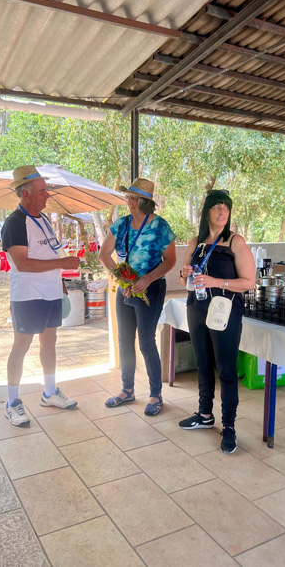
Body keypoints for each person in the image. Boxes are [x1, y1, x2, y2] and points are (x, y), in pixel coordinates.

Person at [1, 165, 81, 427]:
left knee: (50, 343)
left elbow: (50, 253)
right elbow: (22, 264)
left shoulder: (43, 219)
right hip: (28, 295)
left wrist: (61, 281)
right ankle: (12, 402)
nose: (48, 195)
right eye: (42, 191)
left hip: (51, 292)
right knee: (21, 346)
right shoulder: (15, 222)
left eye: (46, 190)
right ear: (25, 193)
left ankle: (49, 392)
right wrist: (62, 265)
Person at [178, 189, 255, 453]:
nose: (223, 211)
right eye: (217, 207)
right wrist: (185, 273)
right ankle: (204, 414)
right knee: (203, 364)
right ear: (207, 212)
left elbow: (249, 282)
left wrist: (216, 282)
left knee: (226, 369)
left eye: (226, 207)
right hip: (197, 308)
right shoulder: (195, 243)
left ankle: (229, 426)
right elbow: (184, 282)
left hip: (224, 312)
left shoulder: (235, 242)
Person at [99, 178, 176, 416]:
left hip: (151, 288)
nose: (128, 201)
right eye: (128, 197)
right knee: (124, 340)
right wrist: (124, 279)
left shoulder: (160, 227)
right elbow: (104, 255)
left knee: (145, 341)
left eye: (132, 198)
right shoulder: (121, 224)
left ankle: (155, 394)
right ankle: (127, 389)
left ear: (144, 202)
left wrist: (148, 279)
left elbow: (170, 261)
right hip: (126, 288)